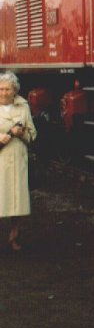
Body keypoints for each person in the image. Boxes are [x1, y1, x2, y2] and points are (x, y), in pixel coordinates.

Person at [0, 71, 37, 250]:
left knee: (16, 201)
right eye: (1, 89)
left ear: (15, 91)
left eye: (8, 89)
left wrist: (22, 134)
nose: (4, 93)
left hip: (17, 158)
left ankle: (14, 236)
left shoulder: (23, 107)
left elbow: (33, 135)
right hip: (1, 158)